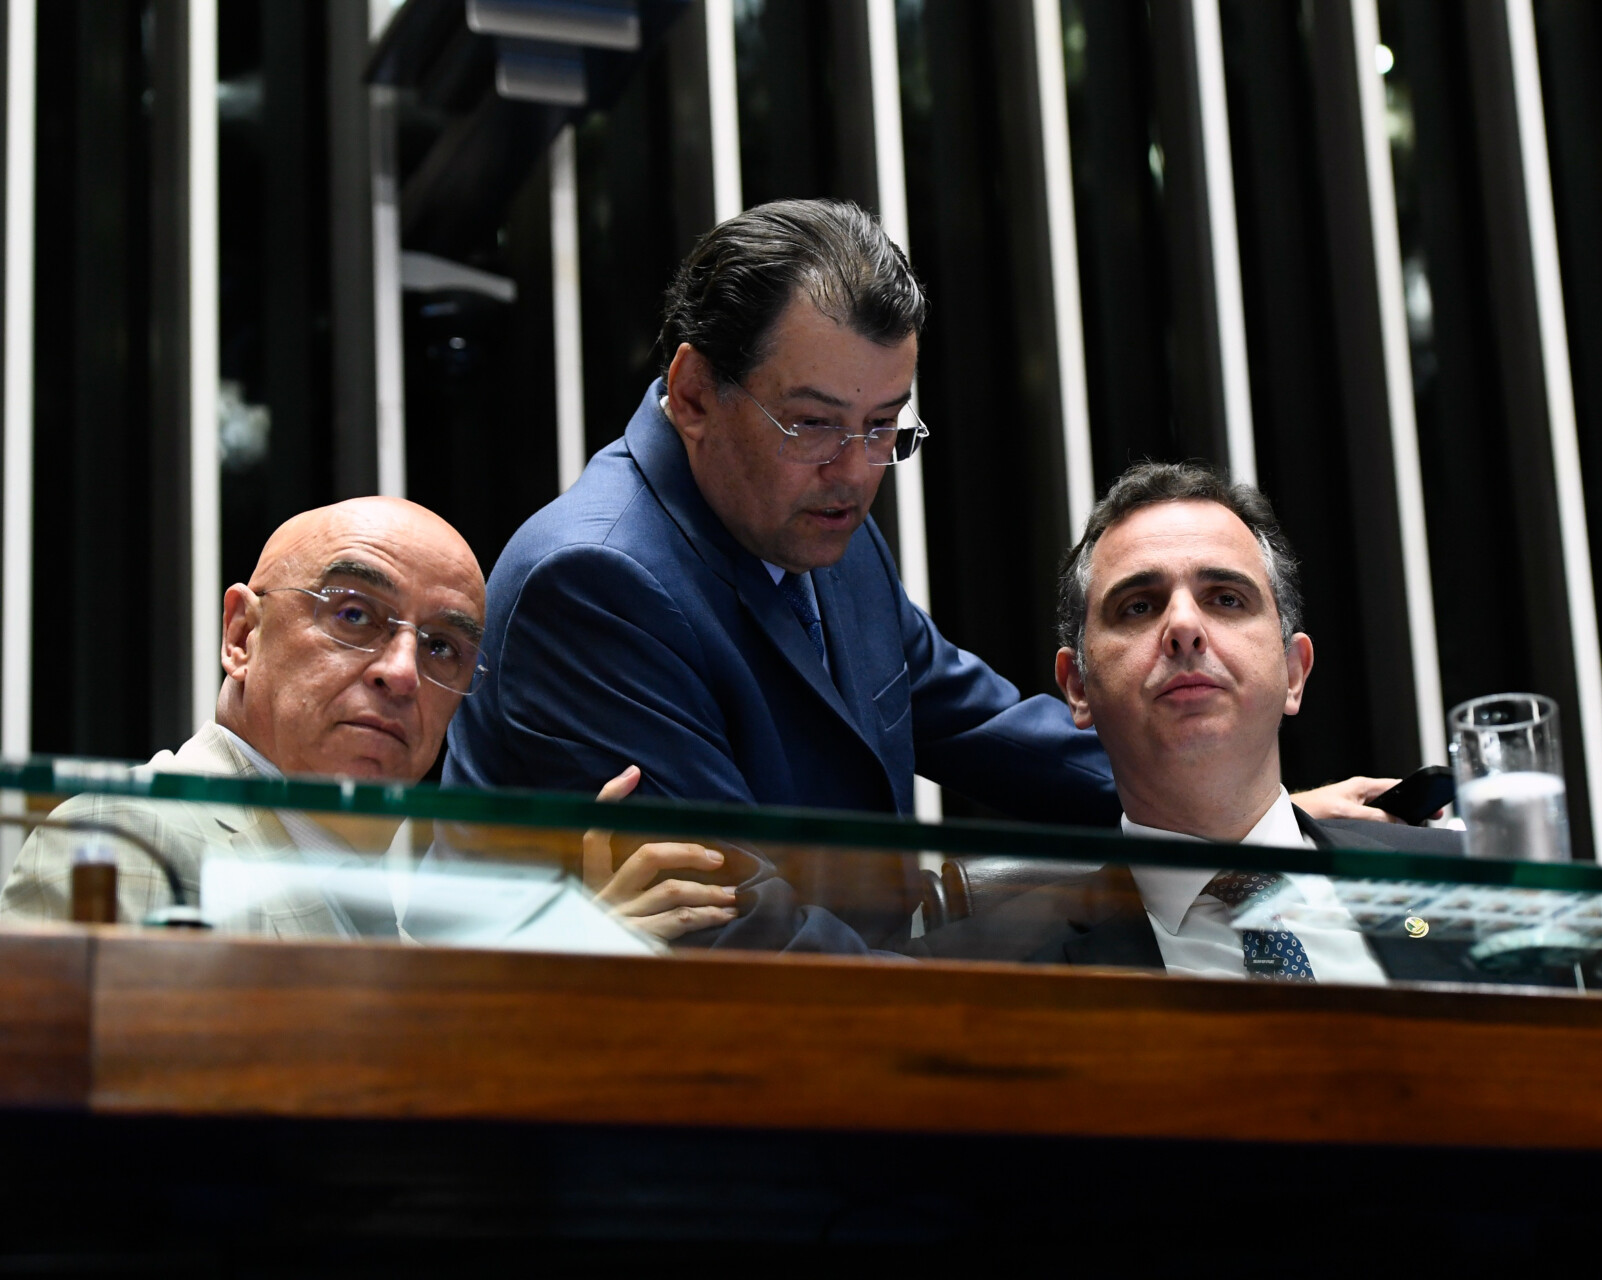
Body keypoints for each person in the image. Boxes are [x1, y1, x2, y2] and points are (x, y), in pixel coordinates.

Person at [442, 198, 1402, 948]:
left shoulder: (808, 501)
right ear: (694, 395)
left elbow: (963, 713)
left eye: (884, 428)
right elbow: (736, 920)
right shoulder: (597, 581)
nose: (859, 470)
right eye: (813, 423)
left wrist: (1227, 806)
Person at [0, 498, 725, 944]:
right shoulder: (125, 836)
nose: (403, 672)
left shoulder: (382, 893)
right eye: (353, 615)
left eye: (442, 646)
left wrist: (562, 950)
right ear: (242, 636)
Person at [919, 462, 1461, 979]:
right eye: (1138, 606)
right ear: (1077, 689)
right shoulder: (981, 975)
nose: (1183, 626)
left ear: (1293, 673)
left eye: (1225, 599)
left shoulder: (1472, 883)